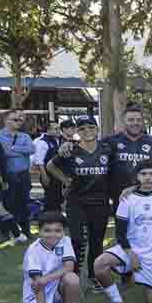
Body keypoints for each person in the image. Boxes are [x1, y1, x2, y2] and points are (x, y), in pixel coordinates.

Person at [93, 161, 152, 303]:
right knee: (99, 264)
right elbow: (120, 233)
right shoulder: (127, 198)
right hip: (131, 247)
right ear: (137, 177)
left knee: (151, 301)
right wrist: (131, 254)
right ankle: (117, 300)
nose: (148, 178)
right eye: (144, 174)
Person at [46, 115, 114, 291]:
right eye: (82, 129)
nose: (87, 131)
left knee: (97, 241)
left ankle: (94, 276)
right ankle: (72, 278)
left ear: (97, 129)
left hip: (100, 202)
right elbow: (50, 166)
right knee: (77, 240)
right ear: (77, 131)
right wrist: (65, 181)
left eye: (91, 127)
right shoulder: (70, 151)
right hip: (77, 202)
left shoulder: (107, 149)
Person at [22, 211, 82, 303]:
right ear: (39, 232)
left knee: (72, 279)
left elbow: (69, 267)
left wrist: (46, 279)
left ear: (63, 231)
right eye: (47, 230)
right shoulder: (33, 251)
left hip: (56, 287)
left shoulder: (65, 241)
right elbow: (37, 284)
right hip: (36, 293)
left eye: (57, 230)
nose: (53, 235)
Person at [101, 104, 152, 215]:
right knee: (123, 230)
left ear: (143, 122)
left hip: (147, 194)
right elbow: (91, 149)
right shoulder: (111, 141)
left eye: (138, 120)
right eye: (131, 120)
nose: (135, 123)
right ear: (124, 122)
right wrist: (69, 144)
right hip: (121, 196)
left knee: (148, 226)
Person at [0, 110, 35, 241]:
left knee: (24, 204)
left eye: (20, 120)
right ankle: (6, 232)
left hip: (24, 175)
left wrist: (13, 149)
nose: (18, 122)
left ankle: (26, 231)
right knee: (8, 205)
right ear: (6, 121)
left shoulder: (24, 136)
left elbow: (32, 150)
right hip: (7, 176)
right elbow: (3, 154)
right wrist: (21, 151)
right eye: (15, 120)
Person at [32, 119, 66, 213]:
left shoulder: (58, 140)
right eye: (55, 129)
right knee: (51, 197)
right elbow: (39, 161)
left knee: (57, 196)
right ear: (48, 130)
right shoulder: (42, 142)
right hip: (48, 173)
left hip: (57, 173)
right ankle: (49, 216)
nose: (58, 131)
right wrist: (44, 176)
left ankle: (57, 215)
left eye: (58, 128)